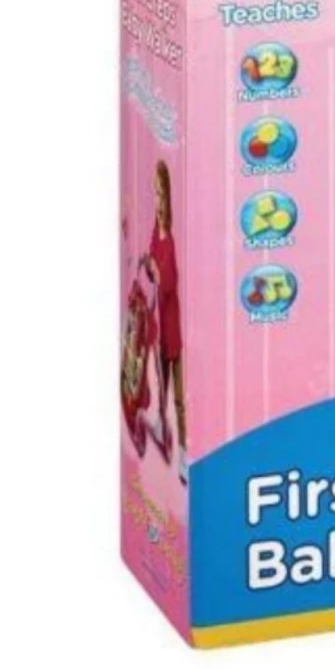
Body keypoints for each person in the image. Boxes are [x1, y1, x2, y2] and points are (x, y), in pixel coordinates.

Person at [142, 158, 188, 483]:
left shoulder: (169, 238)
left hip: (173, 328)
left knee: (179, 396)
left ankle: (184, 452)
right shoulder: (155, 232)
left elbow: (169, 282)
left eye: (160, 194)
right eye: (154, 194)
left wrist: (157, 272)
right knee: (161, 382)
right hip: (158, 325)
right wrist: (149, 267)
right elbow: (152, 268)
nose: (156, 200)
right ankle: (161, 423)